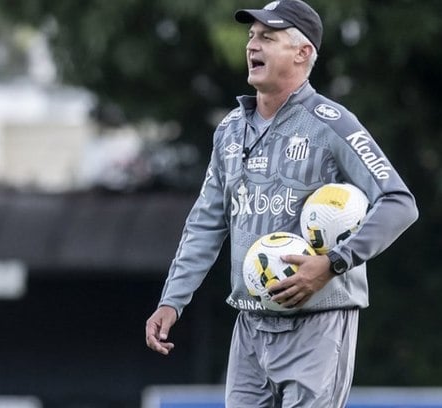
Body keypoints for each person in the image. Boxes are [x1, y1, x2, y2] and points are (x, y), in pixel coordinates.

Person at [146, 0, 419, 406]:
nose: (252, 46)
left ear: (302, 52)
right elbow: (206, 221)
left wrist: (333, 263)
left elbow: (400, 203)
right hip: (250, 326)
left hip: (319, 323)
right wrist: (173, 299)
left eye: (267, 38)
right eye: (251, 37)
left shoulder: (332, 124)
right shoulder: (230, 128)